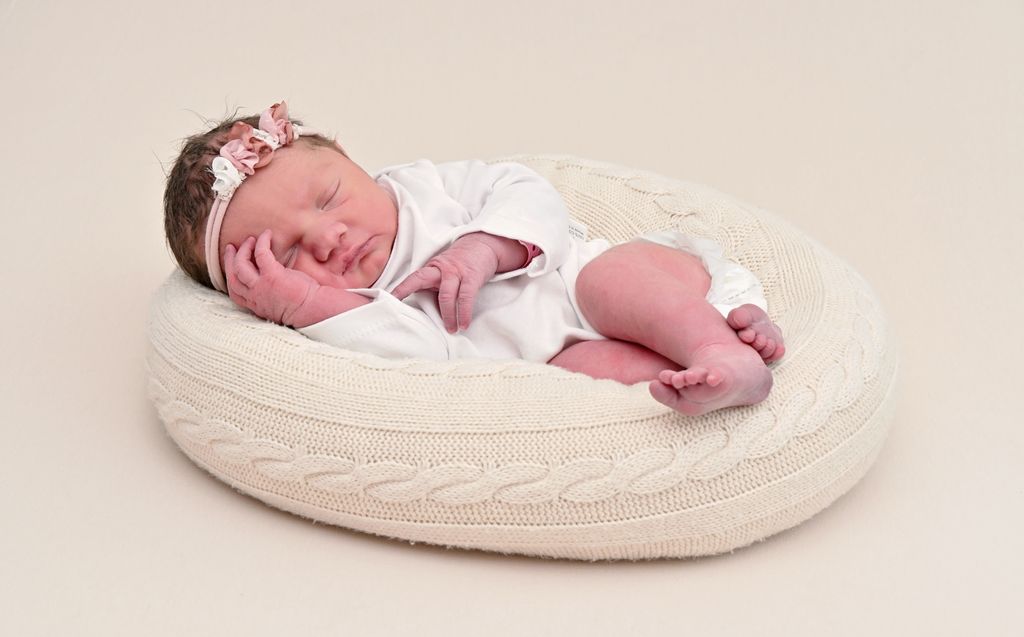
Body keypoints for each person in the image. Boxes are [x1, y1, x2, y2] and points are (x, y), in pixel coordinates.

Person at [164, 102, 785, 416]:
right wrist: (309, 305)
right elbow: (420, 359)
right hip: (555, 353)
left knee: (613, 282)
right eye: (287, 254)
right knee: (590, 377)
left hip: (579, 279)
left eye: (329, 197)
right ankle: (713, 379)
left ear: (354, 162)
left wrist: (485, 246)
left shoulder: (423, 187)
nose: (328, 237)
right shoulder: (352, 313)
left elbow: (525, 190)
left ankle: (717, 340)